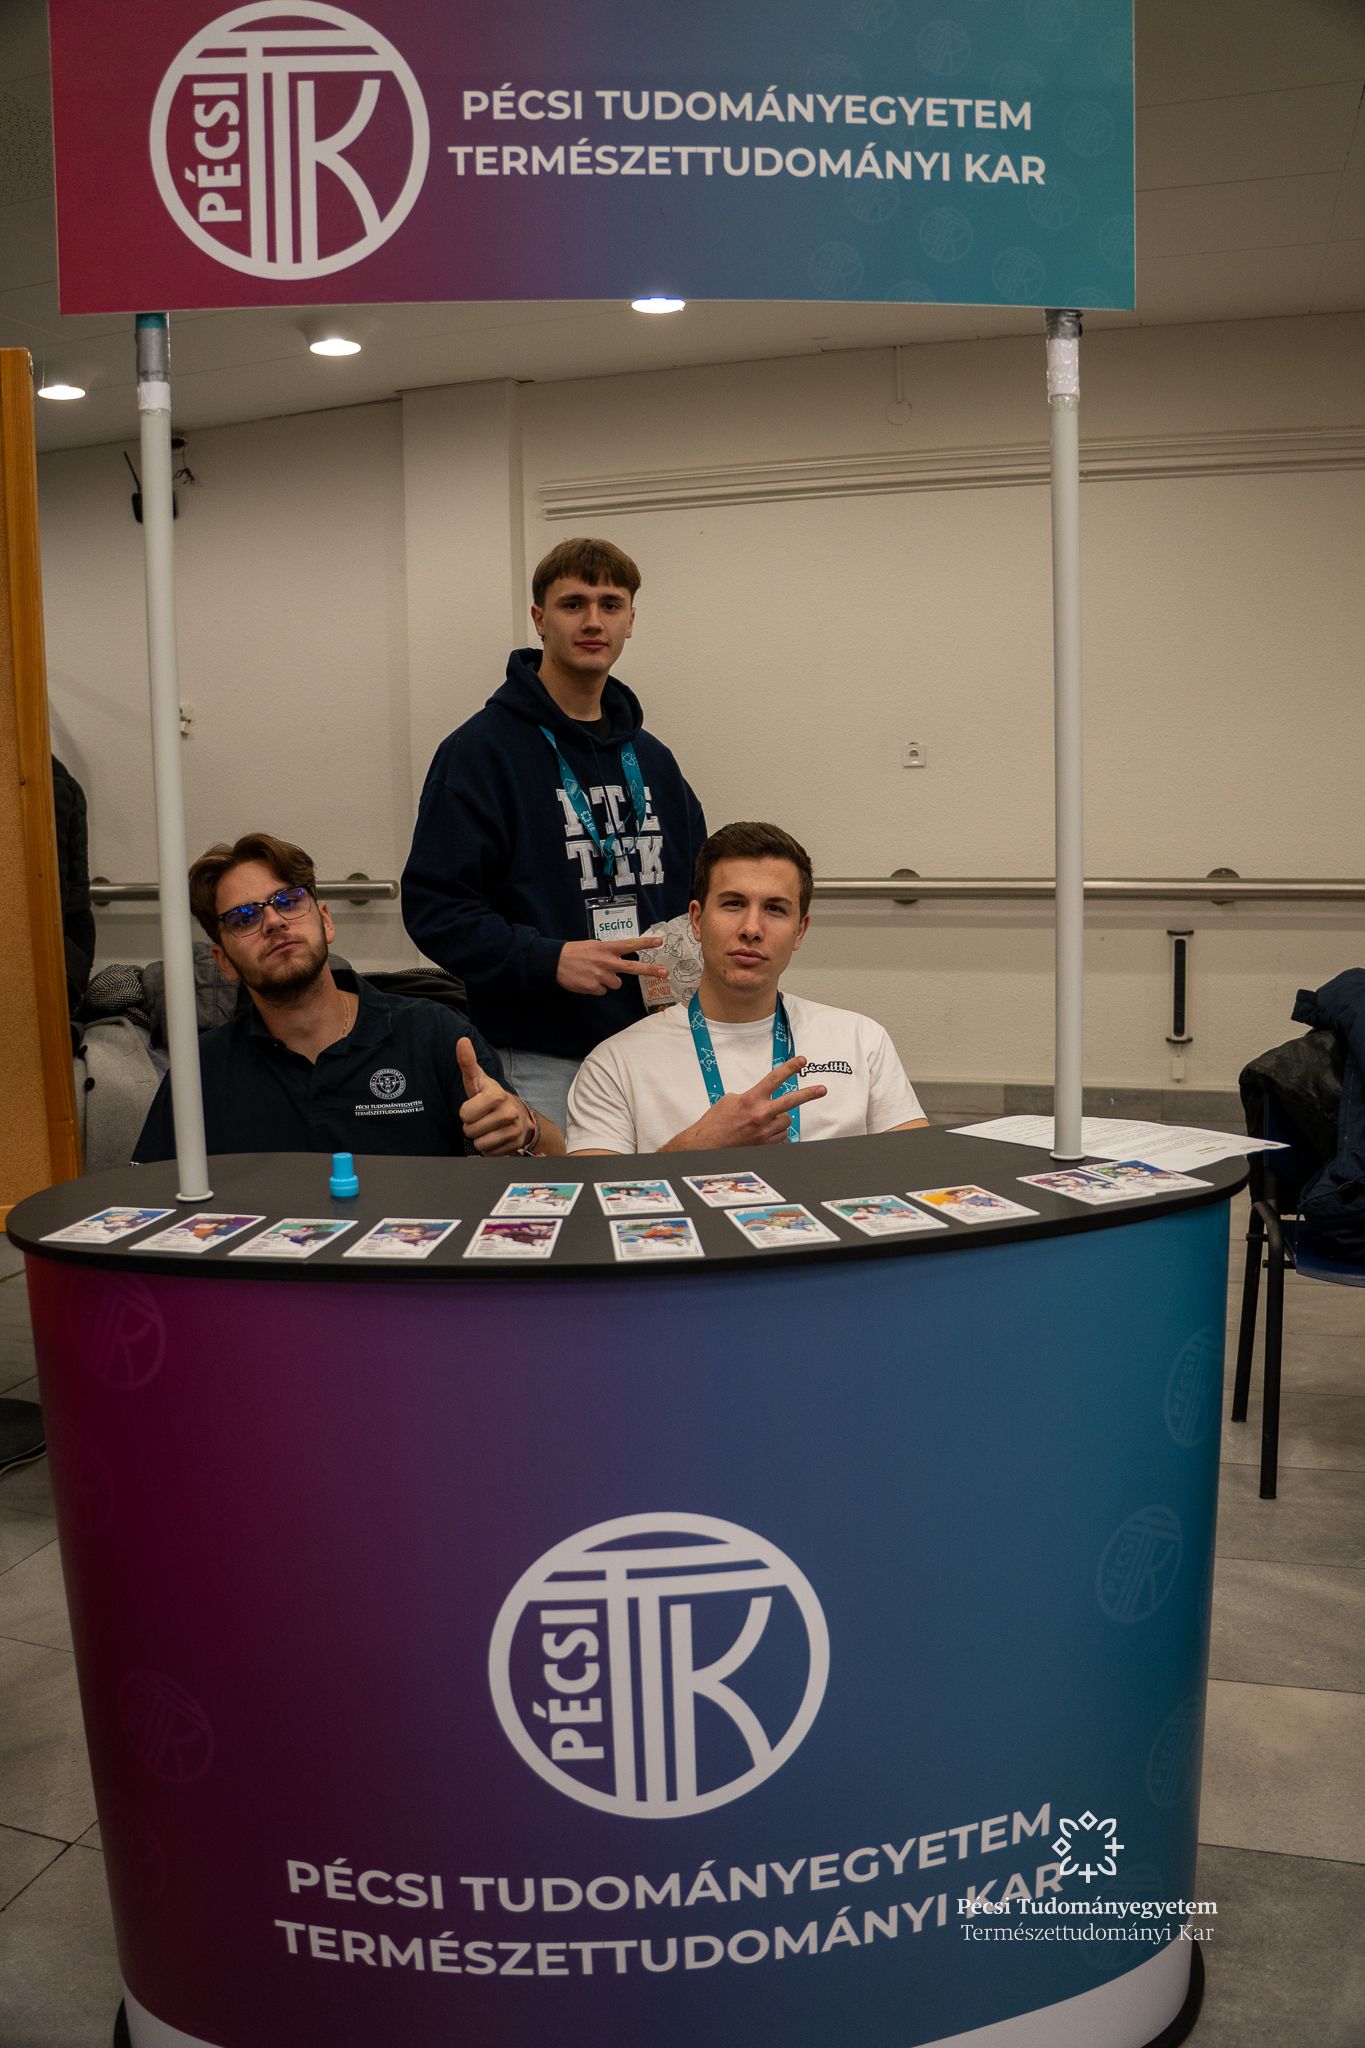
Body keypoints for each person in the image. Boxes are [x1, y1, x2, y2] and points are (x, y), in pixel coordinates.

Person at [401, 536, 707, 1130]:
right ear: (540, 619)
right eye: (573, 604)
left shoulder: (654, 759)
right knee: (558, 1194)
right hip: (541, 1058)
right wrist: (547, 959)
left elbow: (701, 891)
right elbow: (436, 908)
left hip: (660, 1047)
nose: (593, 621)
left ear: (630, 621)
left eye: (610, 605)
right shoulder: (480, 753)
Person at [133, 833, 564, 1164]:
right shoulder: (200, 1070)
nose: (274, 922)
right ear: (223, 961)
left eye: (288, 900)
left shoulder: (433, 1033)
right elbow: (148, 1203)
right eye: (244, 917)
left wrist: (524, 1128)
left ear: (325, 920)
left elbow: (554, 1152)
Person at [567, 821, 928, 1155]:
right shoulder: (614, 1064)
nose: (751, 928)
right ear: (697, 920)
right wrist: (699, 1146)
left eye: (775, 909)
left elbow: (916, 1169)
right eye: (733, 904)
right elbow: (597, 1197)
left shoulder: (862, 1040)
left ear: (800, 931)